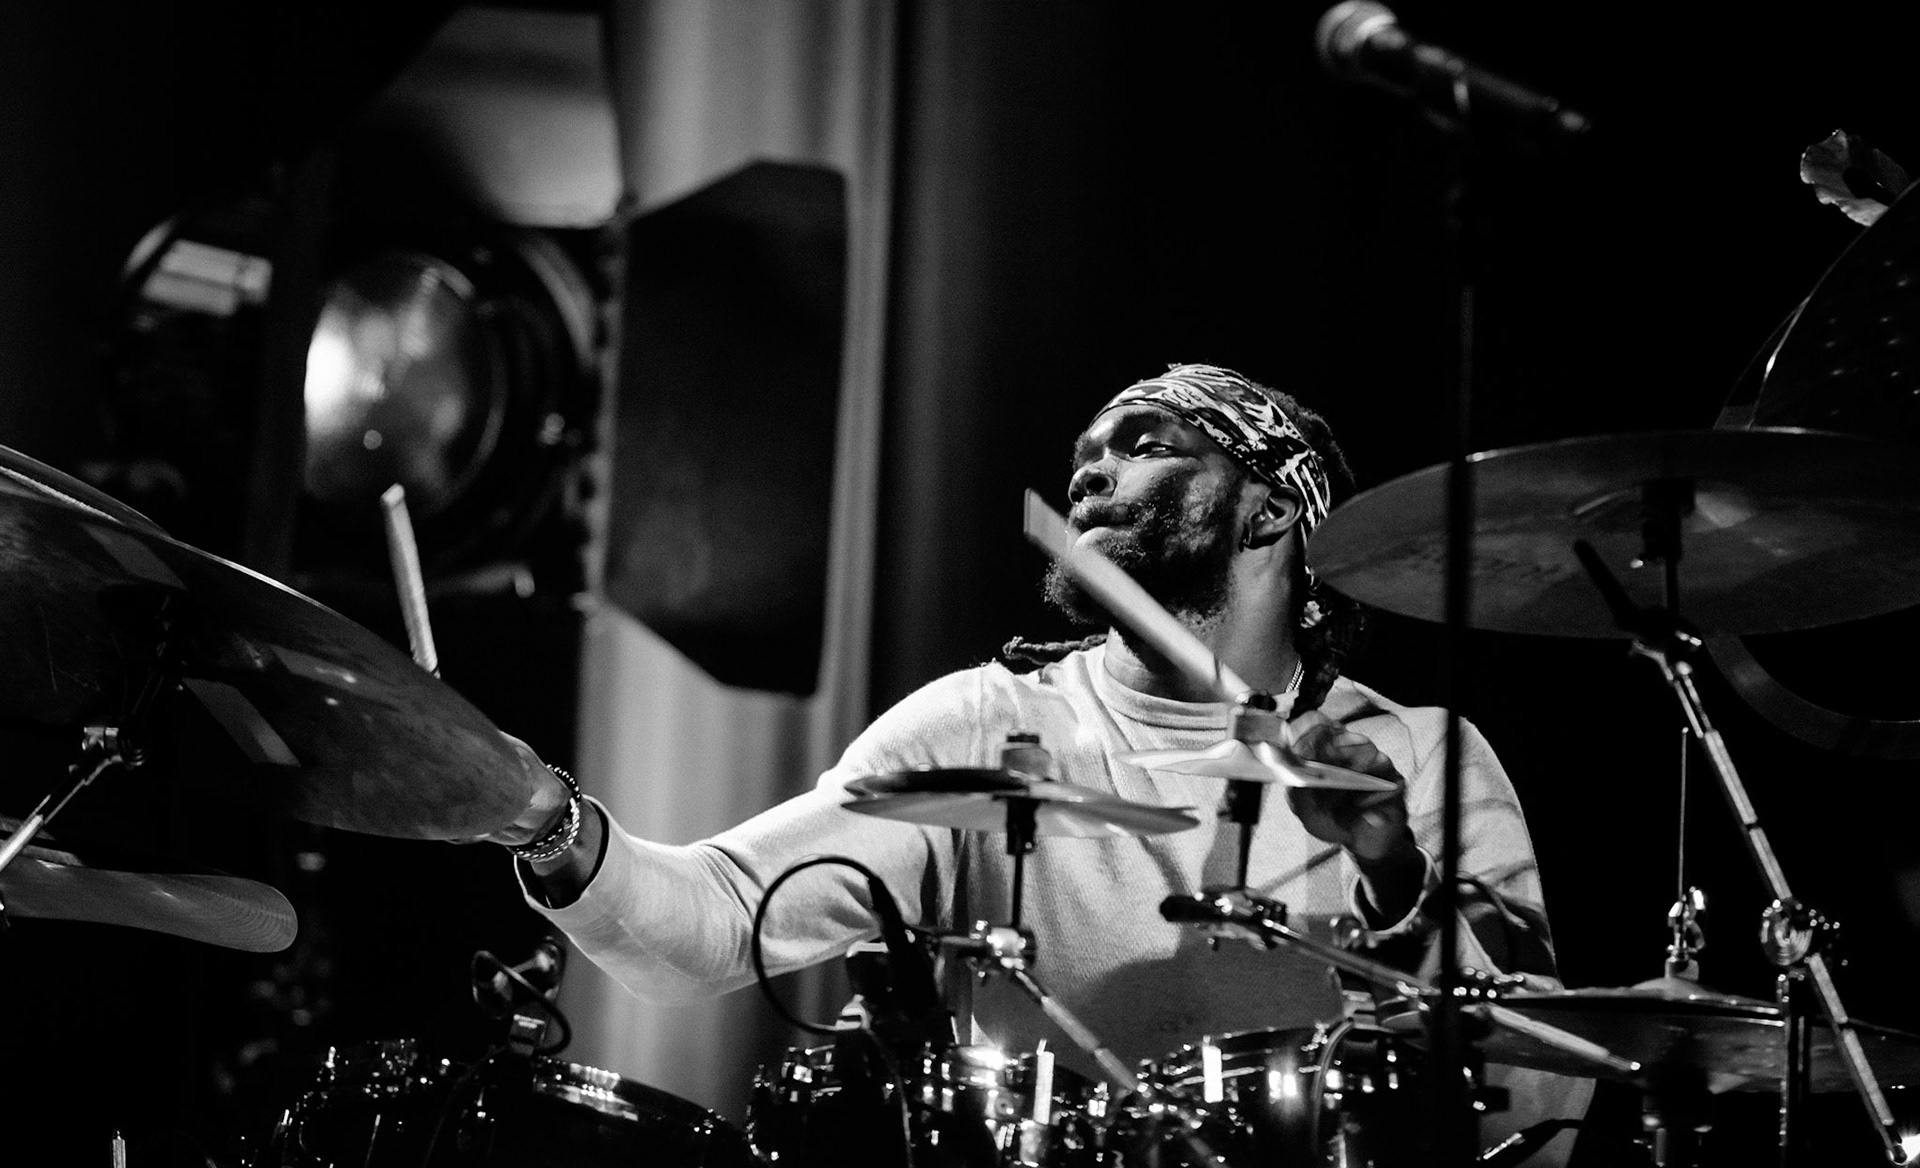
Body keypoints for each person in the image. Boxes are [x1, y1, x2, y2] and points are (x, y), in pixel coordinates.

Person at [484, 363, 1567, 1087]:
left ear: (1273, 507)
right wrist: (544, 815)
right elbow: (716, 922)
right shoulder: (989, 738)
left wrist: (1391, 869)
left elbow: (1536, 1115)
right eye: (1086, 453)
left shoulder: (1425, 754)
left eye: (1145, 443)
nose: (1090, 468)